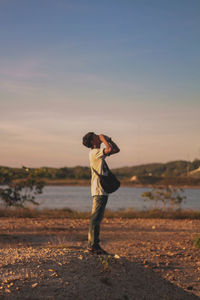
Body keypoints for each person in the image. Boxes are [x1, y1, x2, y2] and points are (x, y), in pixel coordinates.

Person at [82, 132, 120, 254]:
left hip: (101, 190)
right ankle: (93, 245)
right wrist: (104, 139)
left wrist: (109, 139)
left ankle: (94, 244)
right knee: (95, 218)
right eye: (95, 136)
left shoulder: (98, 153)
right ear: (92, 142)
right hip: (98, 189)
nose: (98, 136)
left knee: (97, 218)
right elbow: (108, 149)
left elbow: (116, 150)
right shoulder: (94, 153)